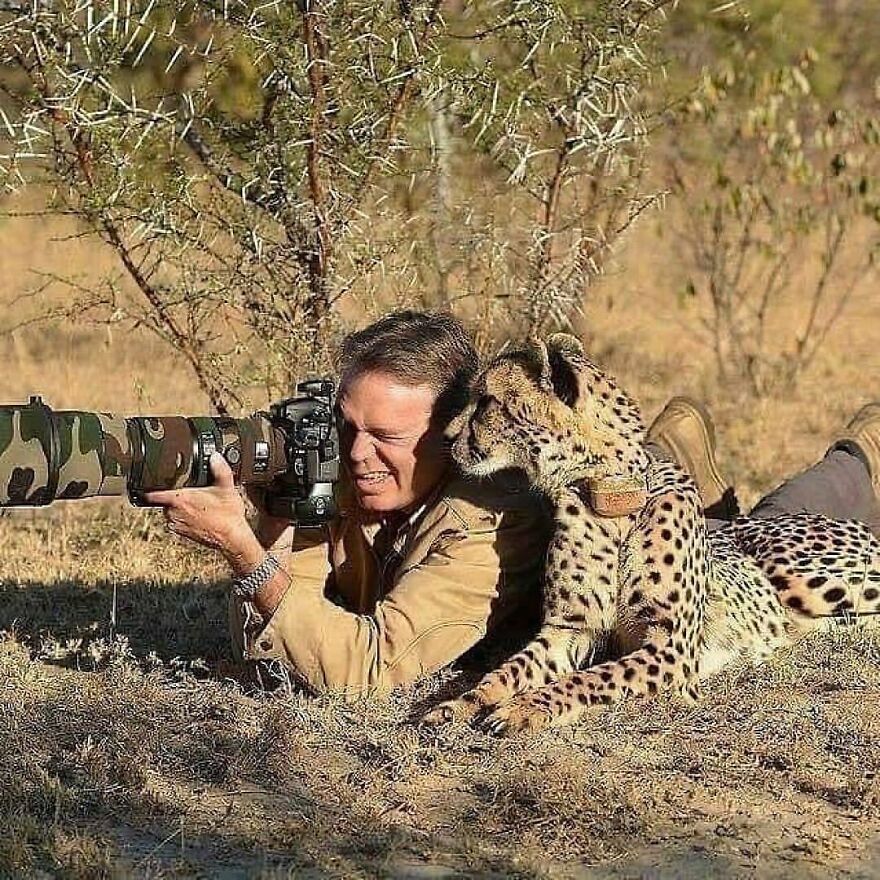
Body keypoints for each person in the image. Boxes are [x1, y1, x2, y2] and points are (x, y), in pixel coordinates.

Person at [144, 310, 880, 696]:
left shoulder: (486, 517)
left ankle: (859, 455)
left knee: (775, 544)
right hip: (620, 494)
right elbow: (275, 645)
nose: (356, 454)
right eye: (345, 427)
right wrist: (278, 513)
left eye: (386, 436)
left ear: (451, 433)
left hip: (679, 547)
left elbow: (360, 676)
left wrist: (245, 550)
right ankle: (676, 460)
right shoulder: (359, 469)